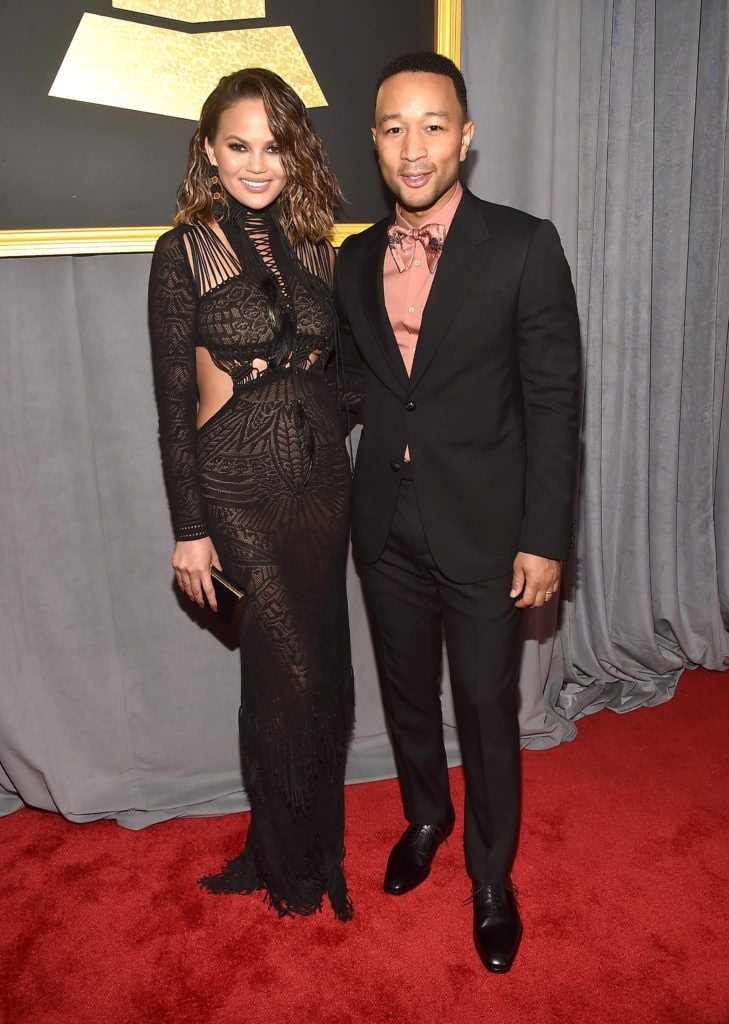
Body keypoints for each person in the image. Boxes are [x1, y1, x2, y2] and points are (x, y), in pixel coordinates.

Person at [334, 52, 581, 969]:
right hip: (384, 523)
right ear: (374, 141)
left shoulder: (523, 245)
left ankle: (490, 875)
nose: (413, 145)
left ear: (465, 137)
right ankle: (425, 816)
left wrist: (543, 539)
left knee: (484, 704)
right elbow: (360, 388)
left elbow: (554, 403)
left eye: (433, 124)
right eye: (394, 126)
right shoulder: (354, 257)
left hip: (485, 526)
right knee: (405, 695)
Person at [148, 68, 355, 921]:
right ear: (209, 150)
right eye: (239, 145)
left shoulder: (317, 249)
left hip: (321, 486)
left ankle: (303, 846)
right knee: (291, 675)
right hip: (234, 488)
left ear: (293, 152)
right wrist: (189, 529)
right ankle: (287, 864)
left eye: (273, 146)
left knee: (321, 679)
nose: (257, 164)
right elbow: (170, 405)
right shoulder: (182, 252)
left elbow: (344, 380)